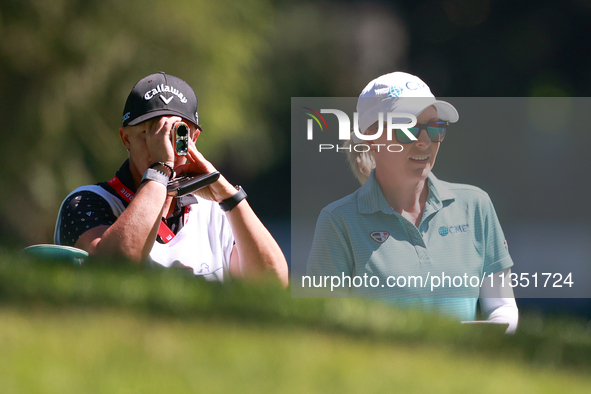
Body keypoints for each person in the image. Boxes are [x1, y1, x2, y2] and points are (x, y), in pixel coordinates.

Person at [306, 72, 518, 332]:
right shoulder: (338, 222)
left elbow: (502, 307)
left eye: (435, 127)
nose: (425, 141)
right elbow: (324, 329)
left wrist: (490, 334)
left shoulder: (476, 205)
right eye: (407, 128)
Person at [55, 72, 288, 286]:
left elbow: (273, 283)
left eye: (176, 134)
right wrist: (160, 170)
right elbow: (112, 268)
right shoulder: (86, 202)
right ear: (126, 139)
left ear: (194, 138)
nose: (161, 146)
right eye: (149, 134)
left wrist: (228, 195)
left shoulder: (216, 213)